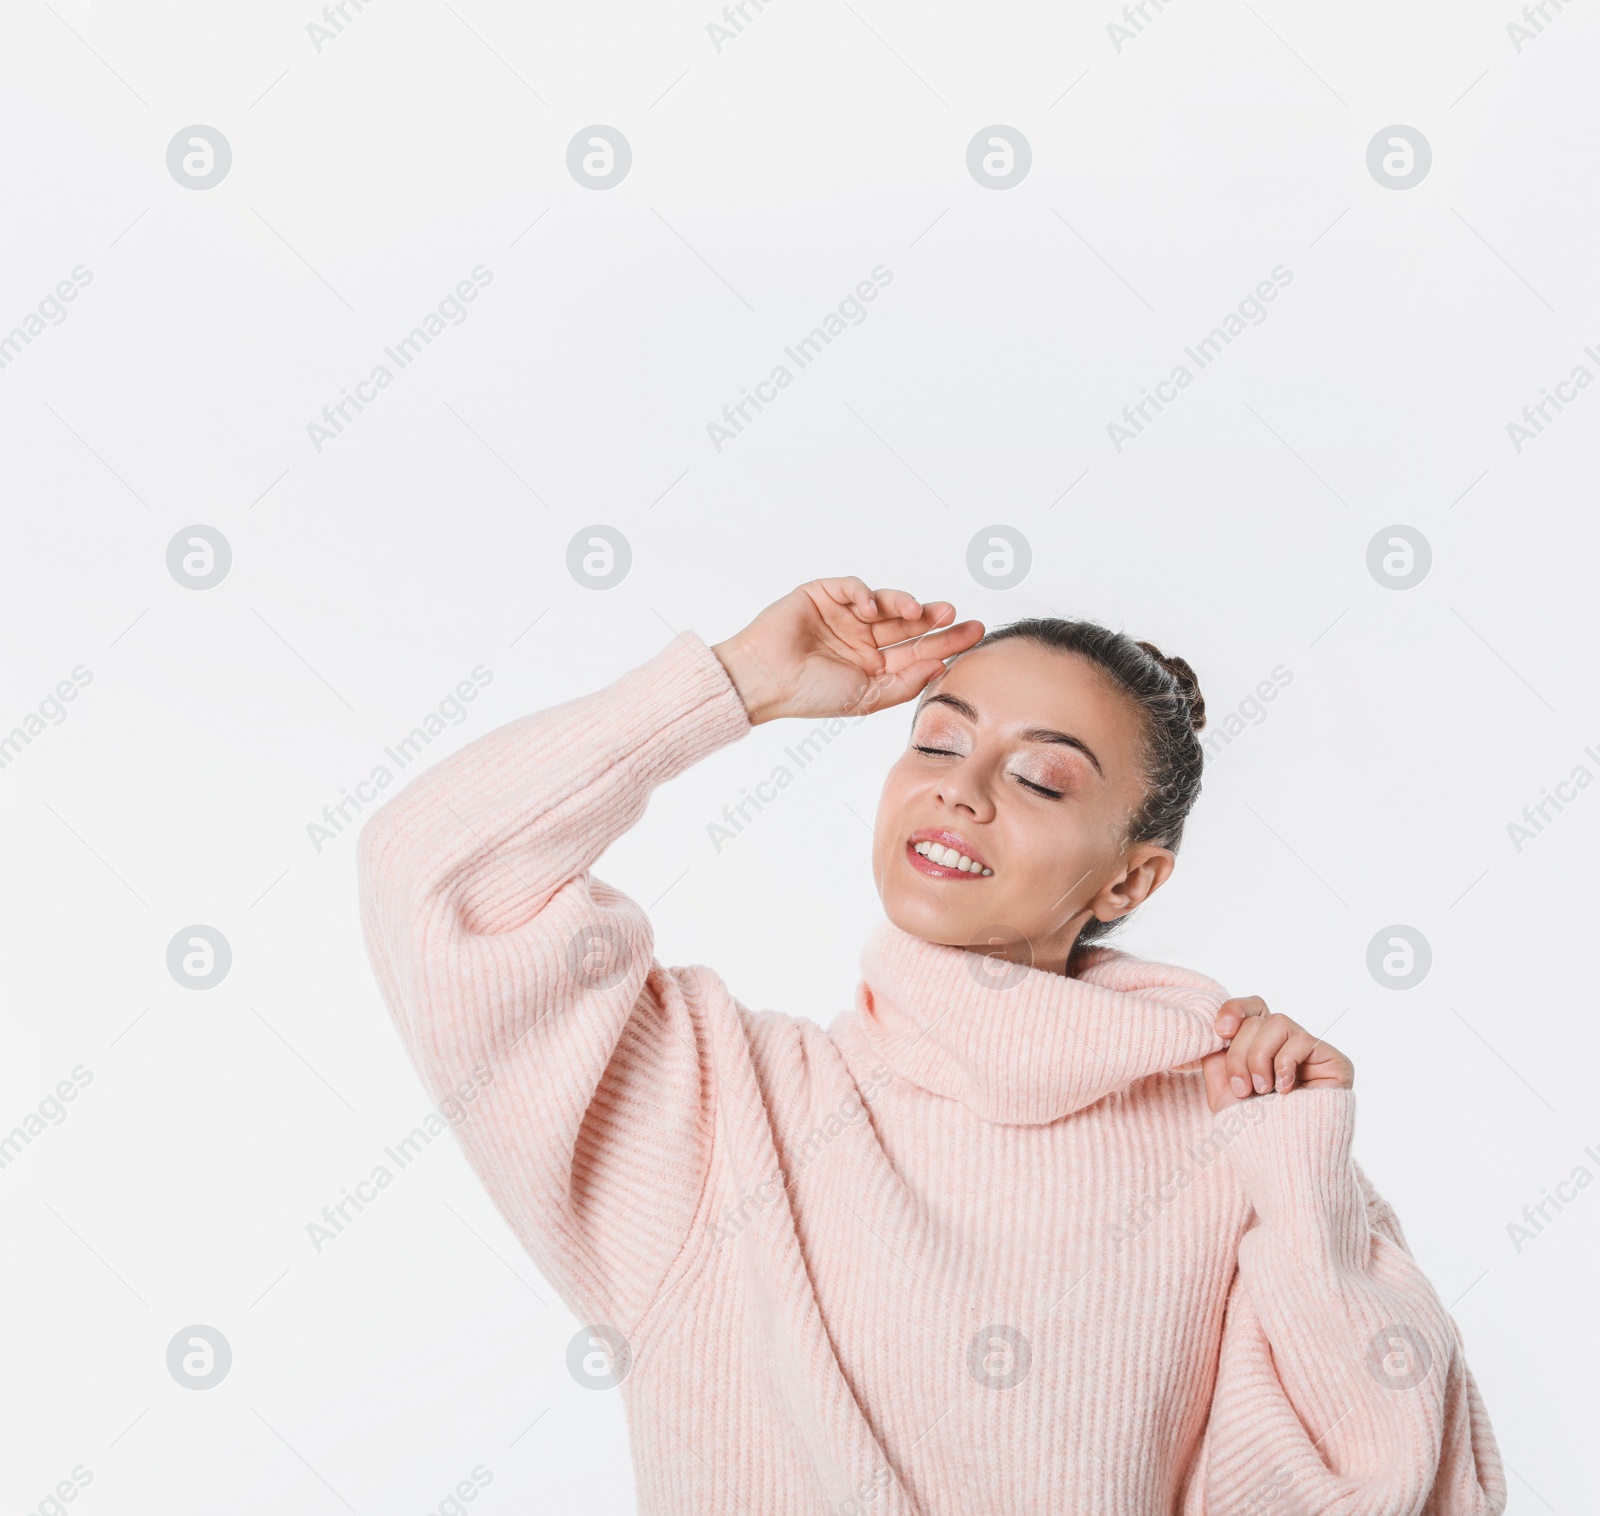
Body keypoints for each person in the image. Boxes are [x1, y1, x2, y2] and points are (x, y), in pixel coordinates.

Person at [357, 577, 1506, 1514]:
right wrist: (734, 687)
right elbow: (437, 875)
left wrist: (1300, 1179)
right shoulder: (725, 1116)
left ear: (1131, 877)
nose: (960, 794)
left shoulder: (1237, 1148)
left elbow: (1402, 1485)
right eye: (937, 744)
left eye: (1041, 776)